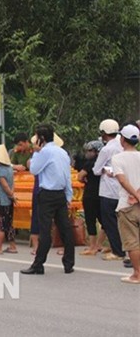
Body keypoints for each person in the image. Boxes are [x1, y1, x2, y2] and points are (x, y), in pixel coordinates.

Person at [21, 124, 74, 275]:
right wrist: (68, 195)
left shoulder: (44, 152)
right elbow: (67, 175)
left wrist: (37, 153)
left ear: (41, 139)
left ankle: (38, 264)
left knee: (45, 230)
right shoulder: (62, 152)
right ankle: (69, 263)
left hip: (47, 194)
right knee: (65, 229)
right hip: (60, 194)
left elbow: (33, 169)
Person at [93, 119, 125, 261]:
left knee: (109, 221)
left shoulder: (106, 149)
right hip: (123, 189)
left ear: (104, 133)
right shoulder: (122, 145)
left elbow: (96, 170)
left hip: (108, 191)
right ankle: (121, 247)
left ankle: (117, 251)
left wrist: (105, 170)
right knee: (121, 221)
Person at [111, 124, 140, 283]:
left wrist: (135, 195)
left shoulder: (118, 158)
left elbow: (122, 180)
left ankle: (137, 274)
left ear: (122, 139)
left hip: (126, 204)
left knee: (132, 241)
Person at [77, 140, 105, 255]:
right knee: (104, 220)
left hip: (90, 194)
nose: (87, 153)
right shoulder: (105, 162)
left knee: (90, 220)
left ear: (96, 151)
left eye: (89, 151)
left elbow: (80, 176)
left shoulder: (90, 164)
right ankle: (99, 244)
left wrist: (85, 179)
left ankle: (92, 246)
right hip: (102, 194)